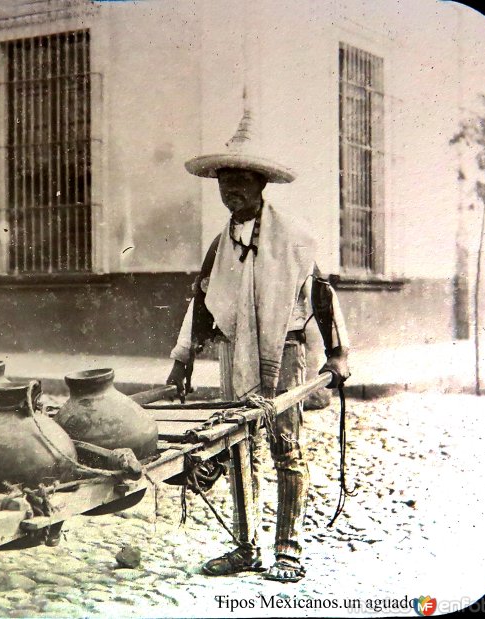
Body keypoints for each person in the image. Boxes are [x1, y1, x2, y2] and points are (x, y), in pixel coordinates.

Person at [166, 110, 350, 582]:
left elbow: (323, 294)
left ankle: (287, 548)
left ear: (261, 184)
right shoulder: (220, 243)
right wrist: (182, 362)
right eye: (225, 182)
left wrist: (337, 354)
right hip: (235, 353)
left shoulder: (294, 238)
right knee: (236, 445)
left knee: (285, 446)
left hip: (284, 352)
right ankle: (244, 547)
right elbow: (203, 302)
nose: (233, 191)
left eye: (243, 181)